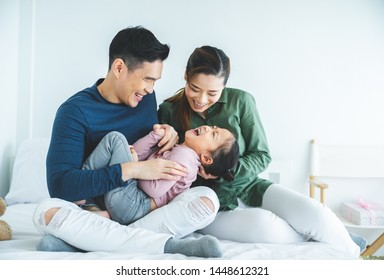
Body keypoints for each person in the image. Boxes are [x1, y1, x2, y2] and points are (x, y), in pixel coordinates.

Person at [34, 27, 223, 258]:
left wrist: (169, 134)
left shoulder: (145, 98)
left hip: (140, 210)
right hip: (95, 208)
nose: (151, 89)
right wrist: (132, 169)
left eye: (155, 81)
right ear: (119, 68)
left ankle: (88, 240)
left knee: (207, 199)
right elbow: (61, 187)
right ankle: (168, 246)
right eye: (147, 79)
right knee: (45, 211)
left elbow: (152, 151)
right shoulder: (74, 112)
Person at [157, 45, 361, 256]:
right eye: (195, 88)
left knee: (316, 213)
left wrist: (226, 171)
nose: (201, 99)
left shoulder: (241, 102)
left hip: (250, 186)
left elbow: (261, 156)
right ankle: (332, 238)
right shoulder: (168, 111)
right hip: (210, 203)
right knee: (268, 226)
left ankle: (352, 250)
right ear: (185, 76)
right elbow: (166, 168)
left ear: (225, 86)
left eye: (212, 93)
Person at [80, 124, 239, 225]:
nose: (207, 128)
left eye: (213, 134)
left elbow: (153, 190)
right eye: (213, 127)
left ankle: (81, 189)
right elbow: (136, 153)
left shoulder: (185, 157)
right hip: (129, 204)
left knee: (115, 139)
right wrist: (154, 137)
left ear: (206, 158)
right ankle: (94, 207)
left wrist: (136, 166)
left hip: (134, 204)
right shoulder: (180, 150)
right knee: (119, 148)